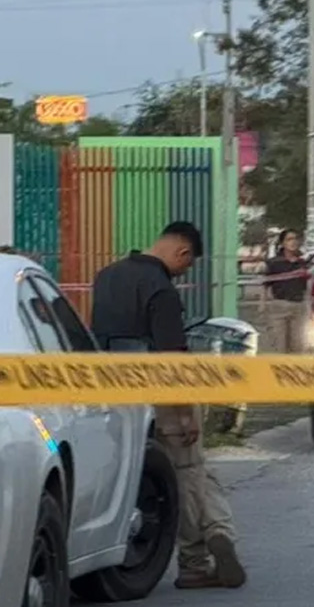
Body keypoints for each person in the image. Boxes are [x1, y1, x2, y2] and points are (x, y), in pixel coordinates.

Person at [89, 221, 246, 591]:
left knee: (148, 475)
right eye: (187, 265)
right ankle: (197, 559)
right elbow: (173, 358)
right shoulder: (161, 289)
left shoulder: (106, 277)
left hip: (115, 394)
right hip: (160, 395)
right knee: (188, 471)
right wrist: (185, 411)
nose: (184, 272)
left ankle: (211, 535)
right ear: (182, 252)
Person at [263, 228, 308, 353]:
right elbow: (265, 284)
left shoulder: (303, 262)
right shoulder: (274, 262)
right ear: (282, 243)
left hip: (298, 306)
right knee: (280, 346)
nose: (293, 242)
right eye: (289, 239)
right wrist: (263, 305)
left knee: (298, 346)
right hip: (279, 306)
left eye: (295, 239)